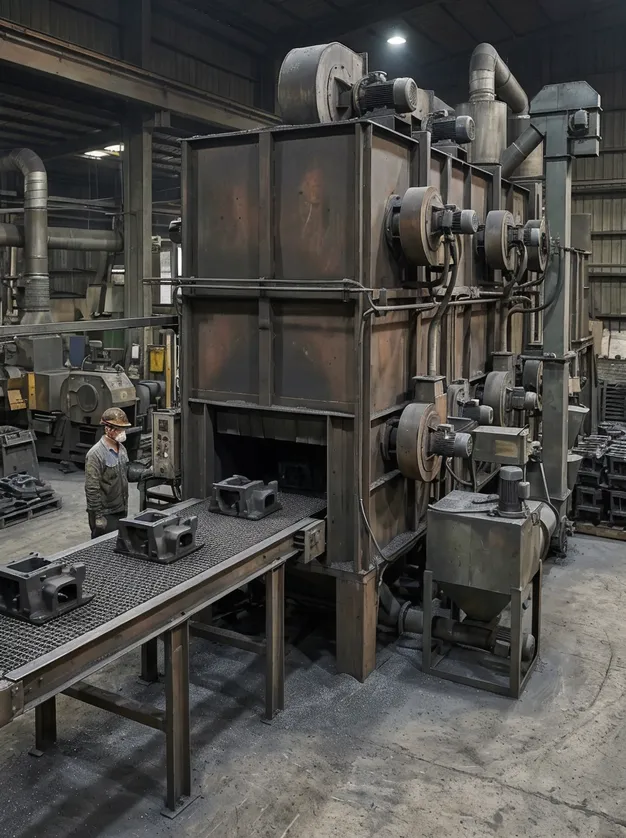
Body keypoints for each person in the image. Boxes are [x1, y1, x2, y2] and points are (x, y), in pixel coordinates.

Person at [84, 407, 132, 538]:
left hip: (121, 508)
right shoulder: (95, 454)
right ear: (108, 429)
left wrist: (146, 472)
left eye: (123, 429)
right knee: (103, 545)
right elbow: (92, 488)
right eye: (119, 429)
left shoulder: (121, 449)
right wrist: (98, 516)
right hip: (105, 514)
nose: (123, 432)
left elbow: (125, 473)